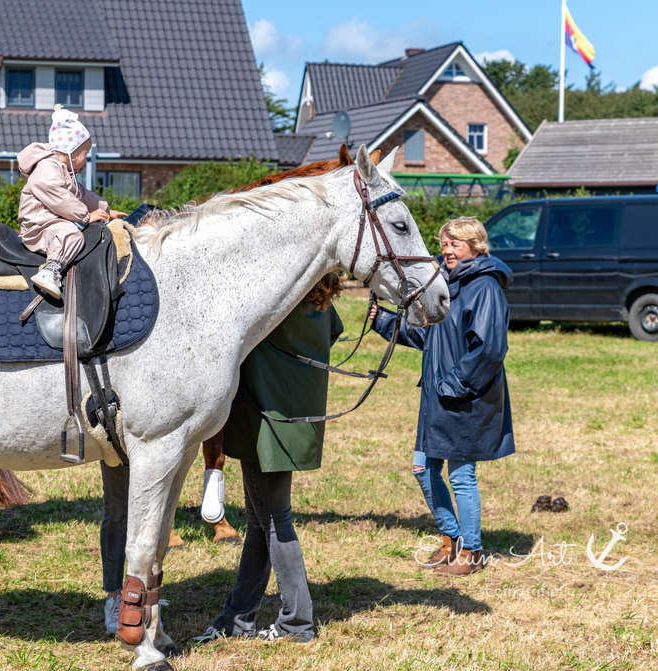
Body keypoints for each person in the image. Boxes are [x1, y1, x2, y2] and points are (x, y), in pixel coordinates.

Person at [193, 275, 344, 644]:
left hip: (263, 419)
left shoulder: (276, 298)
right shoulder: (321, 302)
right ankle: (237, 618)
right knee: (263, 522)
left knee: (275, 521)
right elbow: (334, 332)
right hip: (294, 414)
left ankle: (297, 623)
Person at [369, 216, 515, 575]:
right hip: (438, 396)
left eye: (456, 244)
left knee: (462, 476)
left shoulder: (484, 287)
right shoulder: (445, 285)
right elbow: (427, 336)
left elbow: (489, 349)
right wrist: (383, 320)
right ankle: (451, 539)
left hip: (466, 397)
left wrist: (453, 386)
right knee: (422, 468)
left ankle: (472, 553)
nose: (447, 250)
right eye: (445, 243)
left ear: (476, 247)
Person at [17, 104, 125, 298]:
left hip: (50, 221)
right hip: (38, 226)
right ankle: (51, 271)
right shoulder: (46, 170)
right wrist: (85, 216)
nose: (86, 160)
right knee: (72, 234)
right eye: (85, 154)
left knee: (72, 230)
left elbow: (80, 194)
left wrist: (107, 211)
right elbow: (61, 199)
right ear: (73, 154)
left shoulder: (64, 170)